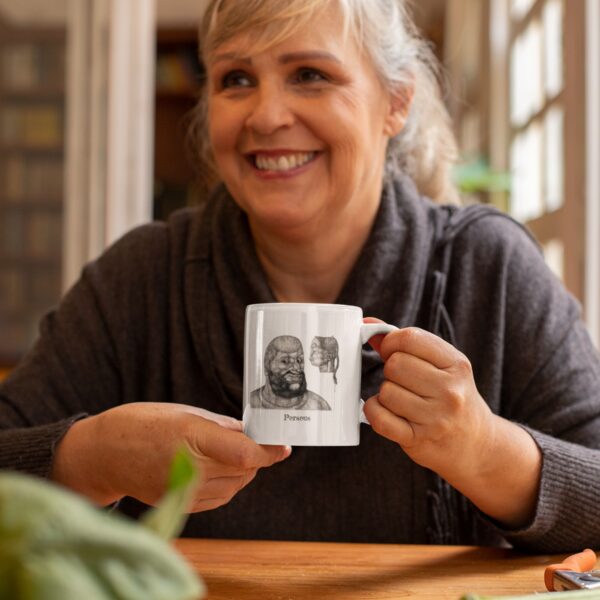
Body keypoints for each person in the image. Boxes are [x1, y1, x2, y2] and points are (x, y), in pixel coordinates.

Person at [1, 0, 599, 551]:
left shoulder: (488, 269)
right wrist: (89, 459)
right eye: (236, 79)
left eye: (311, 74)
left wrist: (485, 450)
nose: (266, 116)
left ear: (395, 103)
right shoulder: (137, 281)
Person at [249, 335, 331, 409]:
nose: (296, 367)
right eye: (285, 361)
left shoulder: (319, 406)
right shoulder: (250, 403)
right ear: (267, 365)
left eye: (299, 360)